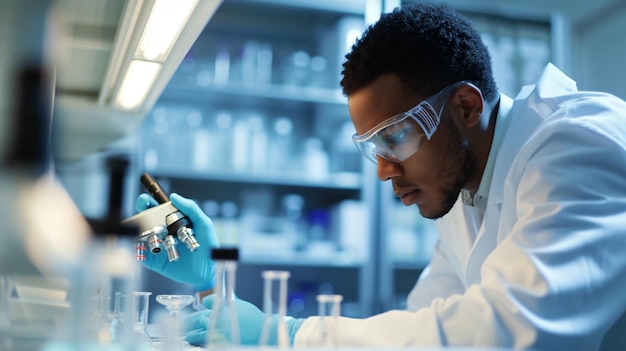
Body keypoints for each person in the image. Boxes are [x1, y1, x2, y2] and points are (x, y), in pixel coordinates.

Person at [134, 3, 626, 349]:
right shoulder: (466, 192)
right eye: (373, 148)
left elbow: (511, 333)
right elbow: (420, 331)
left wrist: (280, 334)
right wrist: (214, 292)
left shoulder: (576, 145)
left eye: (395, 138)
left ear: (465, 106)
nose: (385, 171)